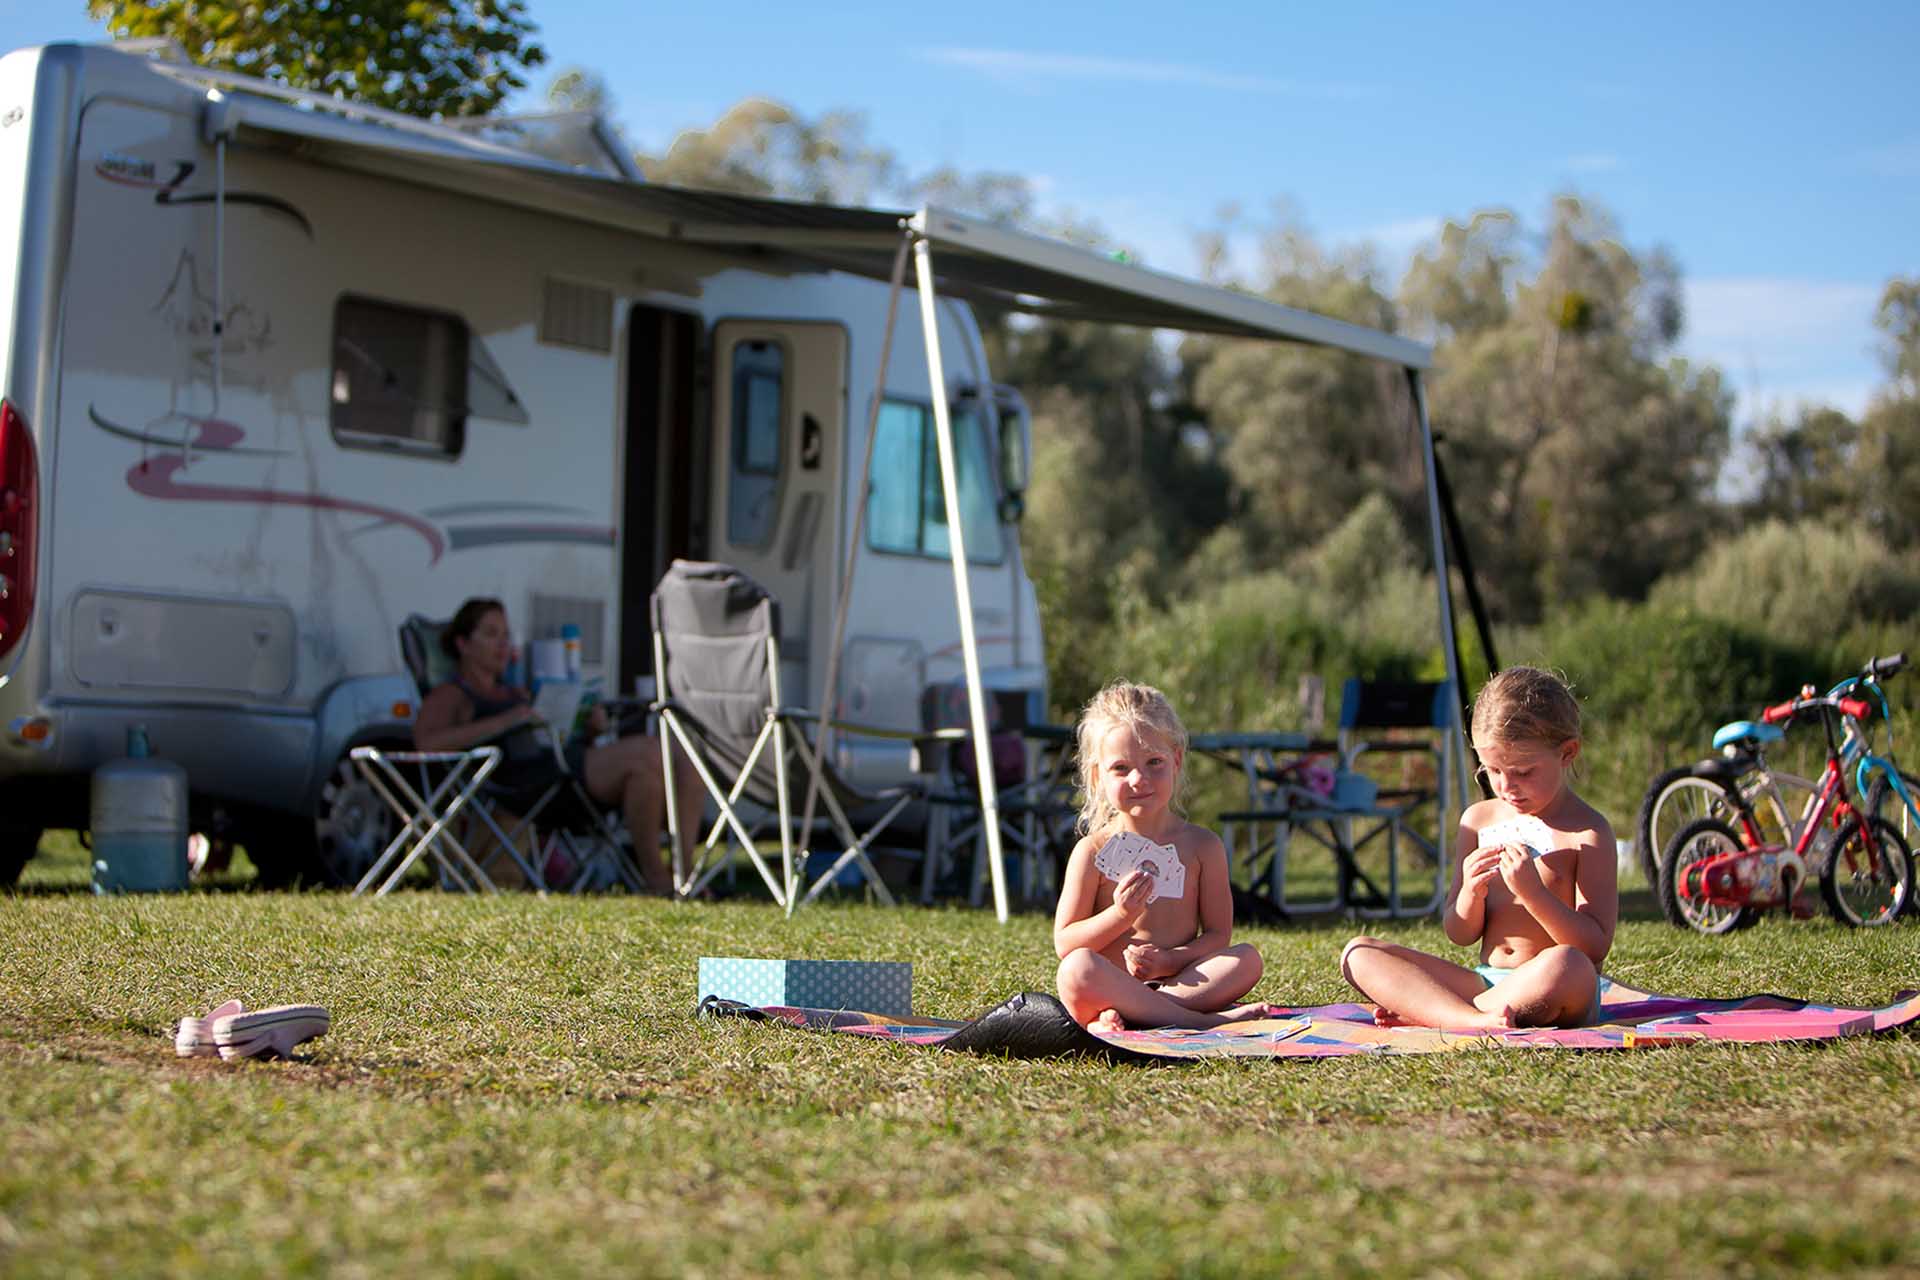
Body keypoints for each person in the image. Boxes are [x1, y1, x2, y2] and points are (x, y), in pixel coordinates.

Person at [1339, 666, 1617, 1030]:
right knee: (1357, 953)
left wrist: (1533, 894)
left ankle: (1439, 1013)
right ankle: (1471, 1018)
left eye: (1523, 771)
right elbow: (1459, 933)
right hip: (1483, 983)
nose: (1506, 786)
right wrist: (1470, 892)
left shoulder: (1588, 832)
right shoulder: (1478, 821)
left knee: (1571, 965)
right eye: (1492, 770)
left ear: (1567, 753)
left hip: (1549, 984)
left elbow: (1594, 946)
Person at [413, 598, 704, 896]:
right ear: (462, 644)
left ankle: (681, 876)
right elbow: (426, 743)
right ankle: (656, 879)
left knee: (676, 764)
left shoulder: (514, 690)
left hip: (558, 773)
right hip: (521, 786)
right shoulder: (452, 693)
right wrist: (505, 722)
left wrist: (587, 728)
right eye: (490, 634)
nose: (502, 644)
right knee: (649, 754)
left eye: (505, 635)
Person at [1053, 680, 1283, 1032]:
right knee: (1076, 969)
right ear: (1098, 776)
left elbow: (1218, 935)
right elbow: (1066, 942)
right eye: (1120, 768)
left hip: (1179, 984)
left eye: (1153, 762)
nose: (1138, 779)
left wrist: (1169, 961)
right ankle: (1200, 1021)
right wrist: (1120, 914)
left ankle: (1140, 1014)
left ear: (1176, 761)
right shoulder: (1092, 851)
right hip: (1109, 987)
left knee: (1247, 959)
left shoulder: (1203, 847)